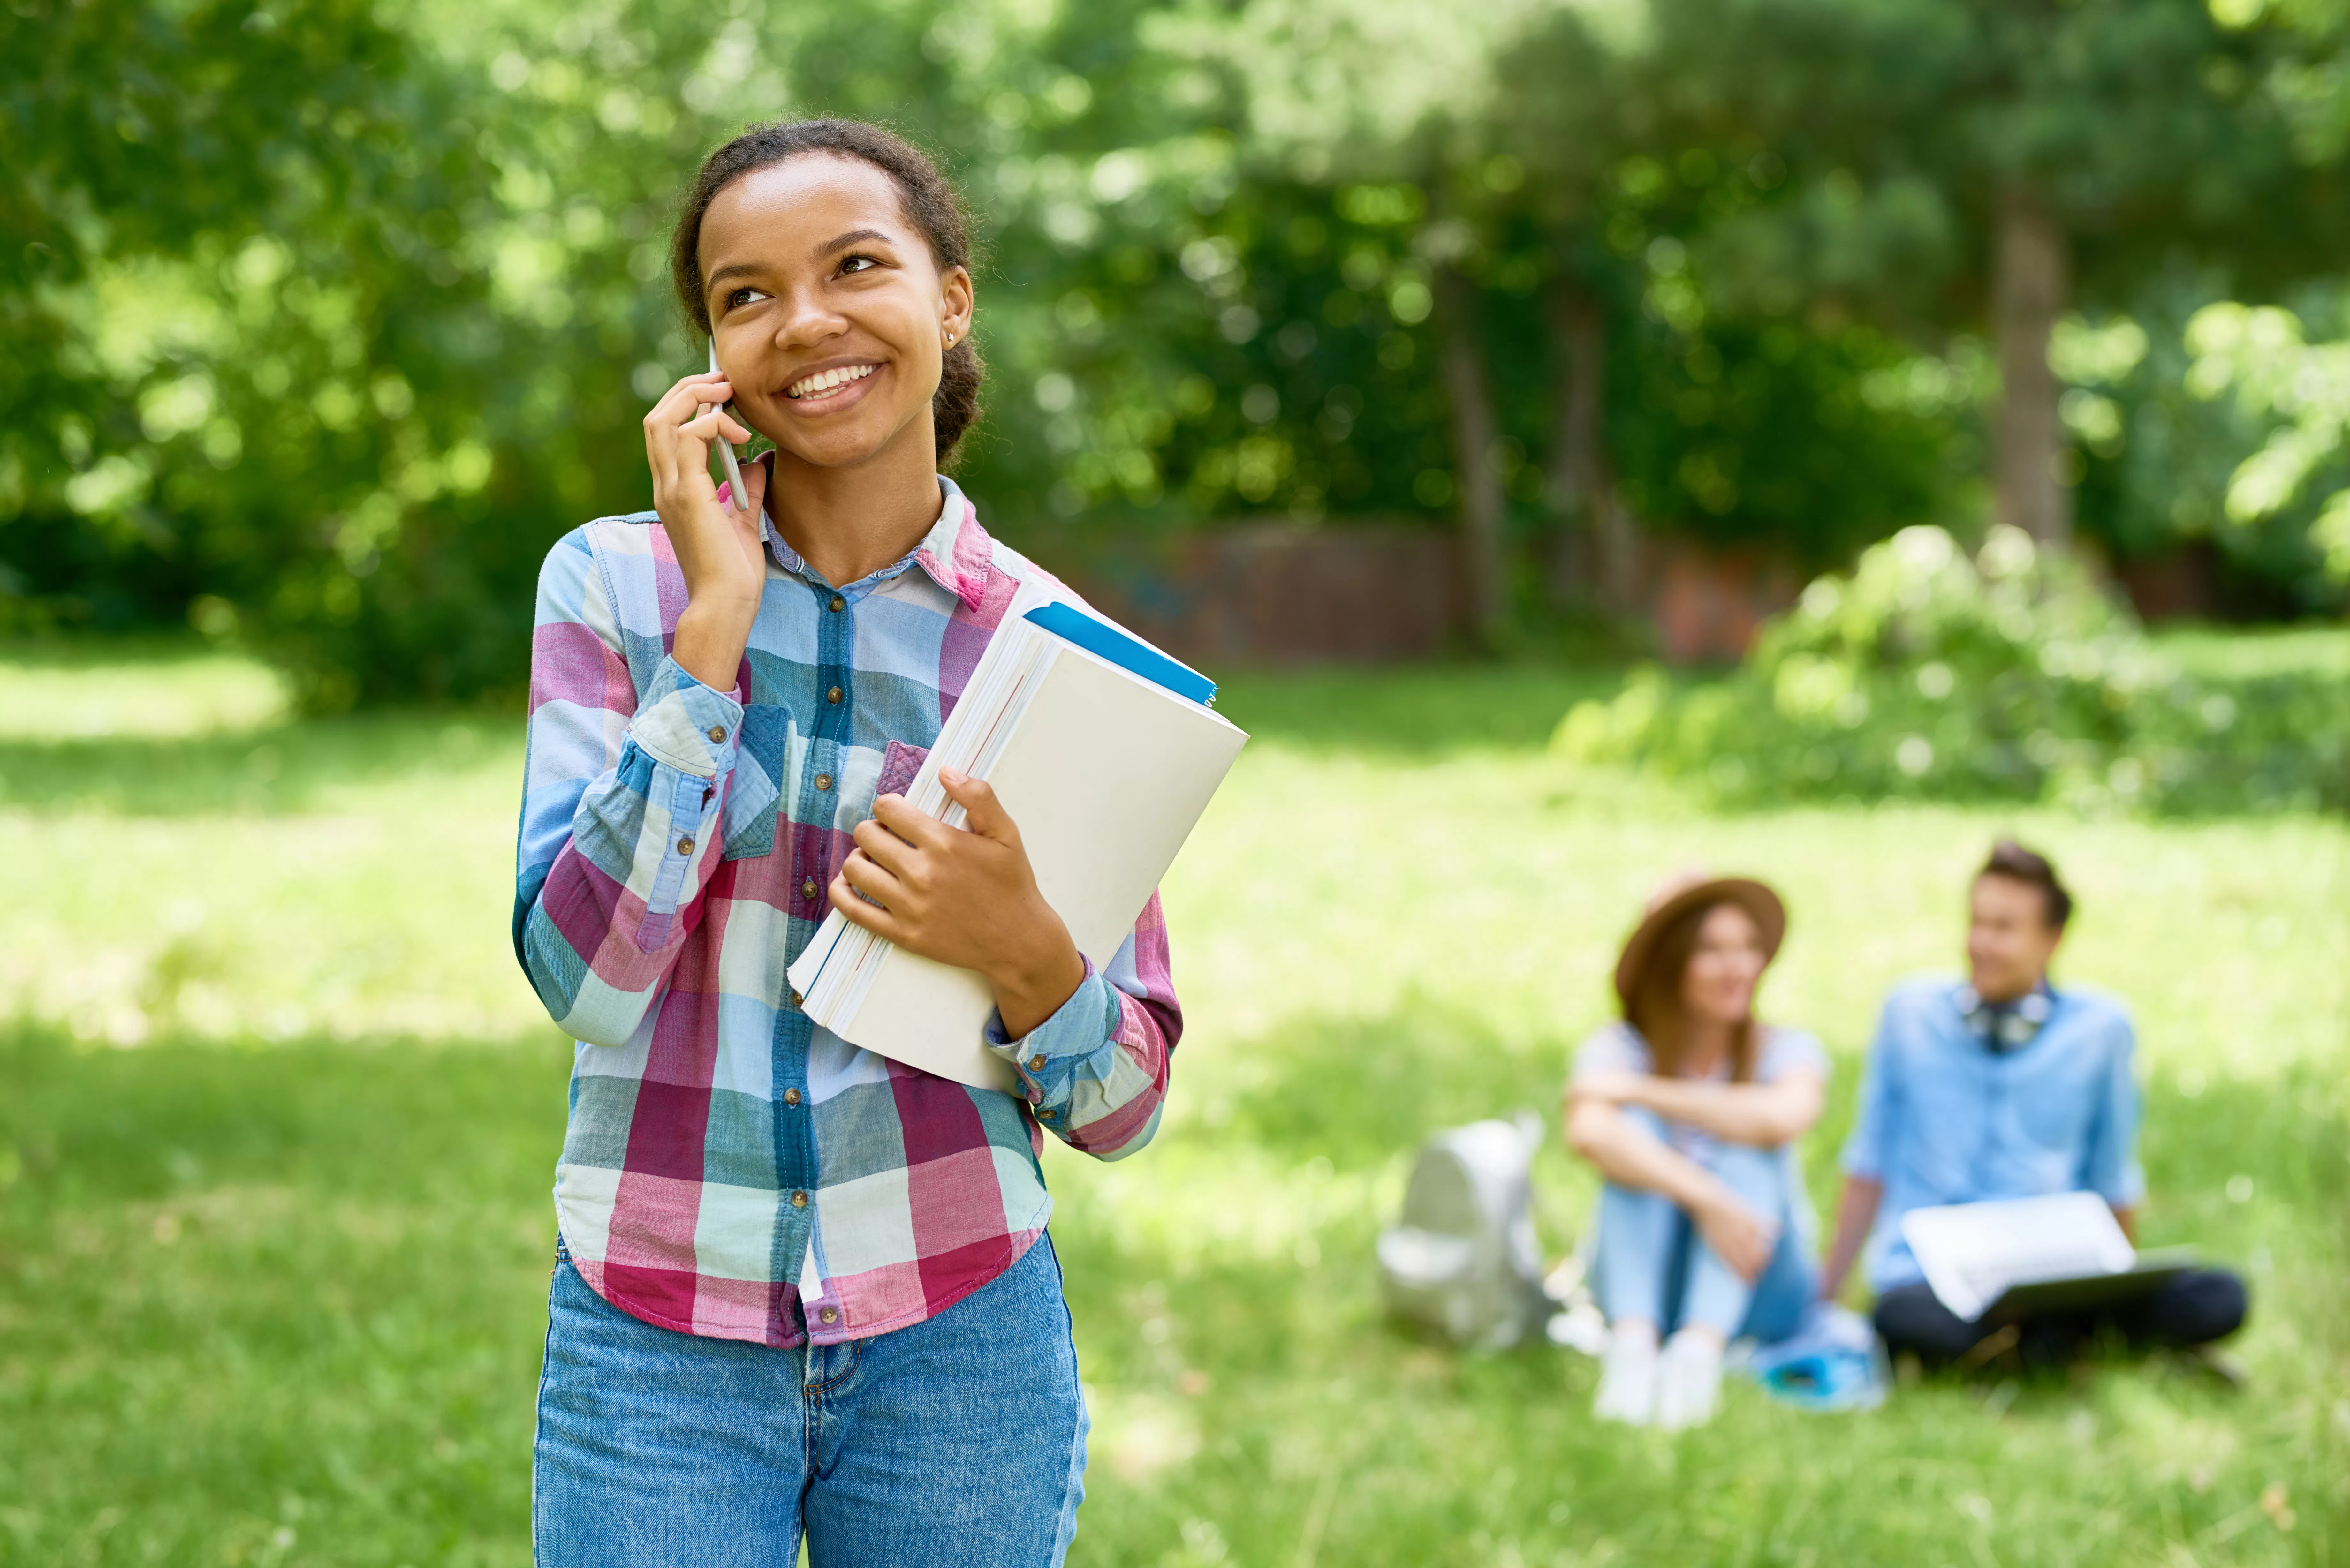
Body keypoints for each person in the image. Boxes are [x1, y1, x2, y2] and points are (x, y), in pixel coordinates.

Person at [512, 121, 1181, 1566]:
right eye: (744, 293)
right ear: (710, 354)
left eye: (854, 266)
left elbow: (1124, 1103)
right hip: (656, 1329)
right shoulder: (616, 585)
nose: (802, 320)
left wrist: (1020, 943)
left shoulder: (1060, 655)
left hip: (960, 1335)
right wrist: (711, 634)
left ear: (949, 299)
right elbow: (585, 979)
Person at [1818, 840, 2248, 1373]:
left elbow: (2111, 1175)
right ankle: (2074, 1348)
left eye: (2003, 928)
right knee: (1903, 1318)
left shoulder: (2102, 1030)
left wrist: (2114, 1284)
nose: (1981, 942)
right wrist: (1826, 1300)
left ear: (2052, 940)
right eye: (1976, 922)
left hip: (2052, 1270)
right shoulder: (1908, 1014)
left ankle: (2038, 1345)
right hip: (1933, 1280)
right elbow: (1870, 1160)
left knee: (2222, 1295)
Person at [1565, 873, 1828, 1429]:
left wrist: (1640, 1090)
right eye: (1712, 951)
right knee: (1630, 1135)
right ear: (1671, 963)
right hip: (1651, 1272)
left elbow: (1783, 1117)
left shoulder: (1787, 1049)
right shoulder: (1618, 1047)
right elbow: (1590, 1133)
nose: (1738, 968)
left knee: (1748, 1148)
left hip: (1762, 1281)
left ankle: (1697, 1357)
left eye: (1748, 949)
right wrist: (1706, 1196)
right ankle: (1634, 1349)